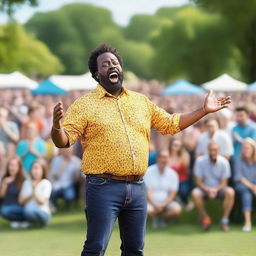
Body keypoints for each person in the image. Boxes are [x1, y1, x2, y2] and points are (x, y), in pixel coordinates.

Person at [51, 43, 231, 256]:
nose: (111, 66)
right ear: (96, 73)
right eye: (105, 64)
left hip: (137, 188)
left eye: (115, 63)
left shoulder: (140, 102)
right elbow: (63, 141)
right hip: (102, 187)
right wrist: (56, 126)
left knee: (135, 250)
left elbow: (171, 124)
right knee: (96, 248)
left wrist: (203, 111)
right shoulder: (84, 105)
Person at [192, 141, 235, 231]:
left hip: (219, 189)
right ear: (208, 150)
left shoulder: (224, 162)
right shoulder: (200, 161)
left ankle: (224, 220)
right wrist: (208, 190)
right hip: (204, 189)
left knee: (230, 192)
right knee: (195, 193)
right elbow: (199, 181)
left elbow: (224, 183)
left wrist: (215, 190)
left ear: (218, 150)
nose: (212, 152)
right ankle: (205, 219)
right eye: (211, 150)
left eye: (215, 150)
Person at [144, 150, 181, 228]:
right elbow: (148, 191)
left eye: (166, 158)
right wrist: (155, 204)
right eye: (162, 157)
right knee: (148, 210)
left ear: (168, 159)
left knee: (177, 209)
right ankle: (156, 218)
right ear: (158, 158)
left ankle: (162, 218)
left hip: (166, 203)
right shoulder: (148, 171)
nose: (164, 160)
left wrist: (163, 205)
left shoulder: (173, 174)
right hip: (151, 202)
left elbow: (172, 194)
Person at [19, 160, 52, 228]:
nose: (35, 171)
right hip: (28, 212)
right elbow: (21, 201)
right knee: (28, 212)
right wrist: (31, 194)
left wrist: (34, 190)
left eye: (37, 168)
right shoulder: (26, 183)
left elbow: (41, 202)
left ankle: (41, 224)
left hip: (42, 213)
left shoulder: (46, 183)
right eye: (33, 168)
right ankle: (34, 224)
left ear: (43, 170)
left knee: (32, 213)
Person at [234, 138, 256, 232]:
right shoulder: (238, 159)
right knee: (246, 193)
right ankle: (247, 222)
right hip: (242, 185)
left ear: (253, 149)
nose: (246, 150)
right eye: (244, 148)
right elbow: (239, 177)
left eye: (248, 148)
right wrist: (252, 187)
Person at [0, 157, 27, 229]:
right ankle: (18, 220)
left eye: (14, 165)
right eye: (10, 165)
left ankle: (23, 220)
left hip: (19, 207)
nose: (12, 168)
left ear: (19, 167)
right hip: (7, 205)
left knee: (5, 211)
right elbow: (2, 195)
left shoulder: (24, 179)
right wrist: (4, 185)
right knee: (3, 210)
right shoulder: (5, 178)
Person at [168, 138, 193, 209]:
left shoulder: (185, 155)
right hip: (169, 180)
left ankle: (184, 201)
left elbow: (186, 168)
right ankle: (174, 201)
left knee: (184, 192)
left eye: (178, 145)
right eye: (174, 145)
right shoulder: (167, 155)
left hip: (181, 178)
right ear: (170, 145)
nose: (176, 147)